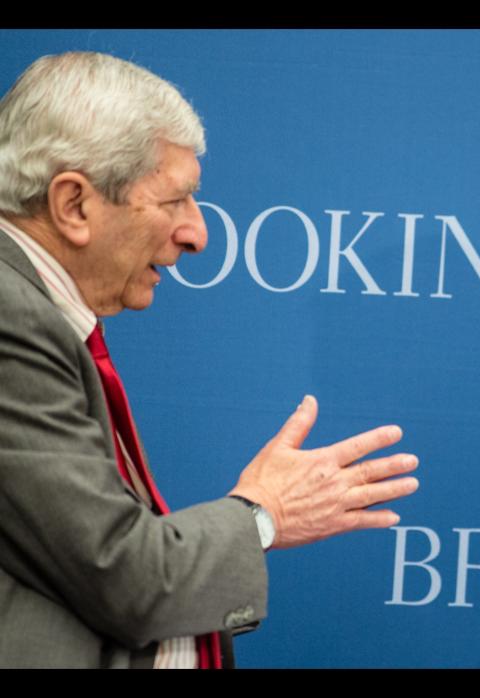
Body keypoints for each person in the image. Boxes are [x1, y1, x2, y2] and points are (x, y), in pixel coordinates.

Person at [0, 51, 419, 668]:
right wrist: (263, 514)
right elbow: (124, 575)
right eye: (175, 201)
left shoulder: (40, 314)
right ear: (74, 205)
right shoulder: (12, 318)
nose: (197, 233)